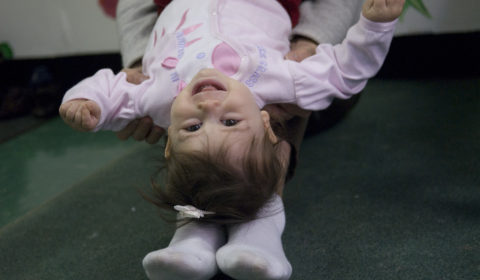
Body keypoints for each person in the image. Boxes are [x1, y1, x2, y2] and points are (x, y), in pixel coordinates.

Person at [59, 0, 404, 279]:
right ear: (267, 123)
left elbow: (109, 91)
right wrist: (375, 26)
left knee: (213, 162)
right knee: (237, 153)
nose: (208, 104)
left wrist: (87, 104)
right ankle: (244, 224)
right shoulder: (277, 79)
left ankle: (199, 227)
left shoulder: (157, 96)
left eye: (193, 126)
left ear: (168, 143)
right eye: (228, 120)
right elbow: (345, 71)